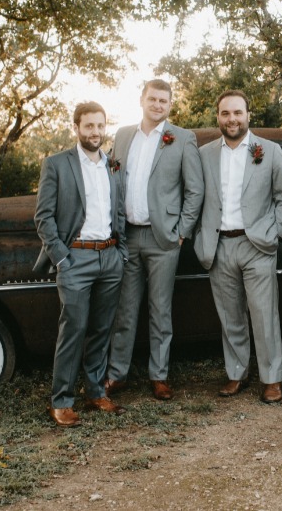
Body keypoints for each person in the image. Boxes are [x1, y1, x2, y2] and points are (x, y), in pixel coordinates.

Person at [194, 90, 282, 403]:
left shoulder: (269, 150)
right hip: (220, 244)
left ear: (248, 115)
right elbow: (195, 198)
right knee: (230, 316)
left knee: (264, 315)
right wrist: (200, 238)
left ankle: (271, 378)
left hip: (257, 245)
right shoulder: (205, 154)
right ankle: (237, 373)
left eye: (237, 112)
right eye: (225, 113)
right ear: (219, 117)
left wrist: (275, 233)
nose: (232, 119)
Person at [105, 79, 203, 400]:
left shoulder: (183, 138)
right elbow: (111, 174)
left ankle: (159, 376)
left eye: (164, 101)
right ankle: (117, 374)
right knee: (125, 309)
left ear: (170, 105)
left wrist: (181, 232)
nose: (158, 105)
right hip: (127, 235)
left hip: (164, 239)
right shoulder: (122, 136)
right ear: (141, 99)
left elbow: (195, 190)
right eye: (153, 99)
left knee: (160, 310)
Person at [34, 102, 128, 427]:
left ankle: (95, 392)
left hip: (111, 257)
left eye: (100, 126)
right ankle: (61, 401)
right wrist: (61, 257)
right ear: (76, 128)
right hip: (75, 257)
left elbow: (120, 212)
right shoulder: (57, 164)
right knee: (73, 328)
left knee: (103, 330)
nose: (95, 132)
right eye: (89, 126)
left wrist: (121, 252)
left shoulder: (113, 165)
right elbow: (43, 217)